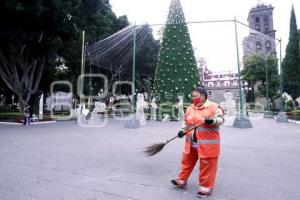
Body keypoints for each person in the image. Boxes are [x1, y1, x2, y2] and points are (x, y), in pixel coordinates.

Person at [171, 86, 224, 198]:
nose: (193, 98)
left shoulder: (214, 107)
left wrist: (212, 121)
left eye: (195, 95)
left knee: (206, 167)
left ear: (203, 96)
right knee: (186, 162)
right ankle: (181, 180)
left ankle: (205, 188)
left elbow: (221, 119)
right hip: (191, 143)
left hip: (208, 145)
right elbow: (186, 121)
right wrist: (182, 130)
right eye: (192, 96)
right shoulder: (190, 108)